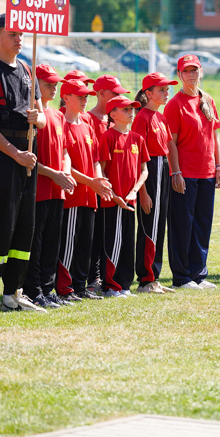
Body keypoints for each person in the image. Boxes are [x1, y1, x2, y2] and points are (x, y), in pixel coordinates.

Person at [0, 14, 46, 314]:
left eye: (21, 33)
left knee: (24, 227)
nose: (19, 38)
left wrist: (37, 119)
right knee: (0, 225)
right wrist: (14, 153)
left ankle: (13, 292)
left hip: (29, 154)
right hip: (2, 156)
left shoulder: (28, 70)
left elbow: (42, 115)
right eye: (12, 33)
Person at [165, 54, 220, 289]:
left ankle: (199, 273)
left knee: (202, 224)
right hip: (185, 174)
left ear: (201, 72)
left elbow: (214, 136)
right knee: (182, 226)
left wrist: (218, 167)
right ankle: (181, 277)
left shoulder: (208, 99)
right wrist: (176, 173)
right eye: (186, 71)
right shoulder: (174, 104)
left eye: (194, 70)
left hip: (207, 173)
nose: (191, 75)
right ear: (179, 75)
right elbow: (171, 143)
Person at [23, 64, 76, 308]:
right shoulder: (30, 115)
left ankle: (48, 288)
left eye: (56, 84)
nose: (54, 88)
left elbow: (65, 150)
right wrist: (53, 174)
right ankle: (34, 290)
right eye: (48, 84)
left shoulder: (57, 115)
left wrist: (64, 173)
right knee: (36, 242)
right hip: (38, 190)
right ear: (36, 86)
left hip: (57, 190)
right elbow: (29, 158)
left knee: (53, 243)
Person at [57, 79, 112, 300]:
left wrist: (98, 180)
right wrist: (91, 181)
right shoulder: (62, 124)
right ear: (66, 98)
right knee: (69, 243)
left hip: (90, 195)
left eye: (86, 96)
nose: (84, 100)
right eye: (79, 96)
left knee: (85, 244)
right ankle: (64, 288)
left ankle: (80, 287)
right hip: (73, 195)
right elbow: (66, 165)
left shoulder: (87, 126)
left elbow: (96, 159)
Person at [98, 95, 149, 296]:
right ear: (113, 114)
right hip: (113, 201)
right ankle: (111, 285)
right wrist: (112, 193)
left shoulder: (138, 138)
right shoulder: (108, 137)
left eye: (132, 109)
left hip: (130, 200)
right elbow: (100, 170)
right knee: (113, 242)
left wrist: (135, 190)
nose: (131, 112)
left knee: (128, 243)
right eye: (126, 109)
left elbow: (144, 170)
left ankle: (124, 285)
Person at [131, 72, 177, 294]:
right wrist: (143, 193)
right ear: (148, 93)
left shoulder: (161, 117)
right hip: (151, 171)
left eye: (167, 89)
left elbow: (168, 147)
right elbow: (139, 156)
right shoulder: (142, 117)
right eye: (161, 90)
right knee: (149, 225)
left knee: (159, 225)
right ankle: (145, 279)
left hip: (163, 168)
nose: (166, 93)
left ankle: (154, 276)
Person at [84, 74, 129, 296]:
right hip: (92, 186)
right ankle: (92, 278)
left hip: (115, 188)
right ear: (101, 94)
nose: (119, 96)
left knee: (108, 234)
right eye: (115, 93)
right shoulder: (87, 118)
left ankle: (105, 277)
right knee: (92, 234)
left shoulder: (116, 121)